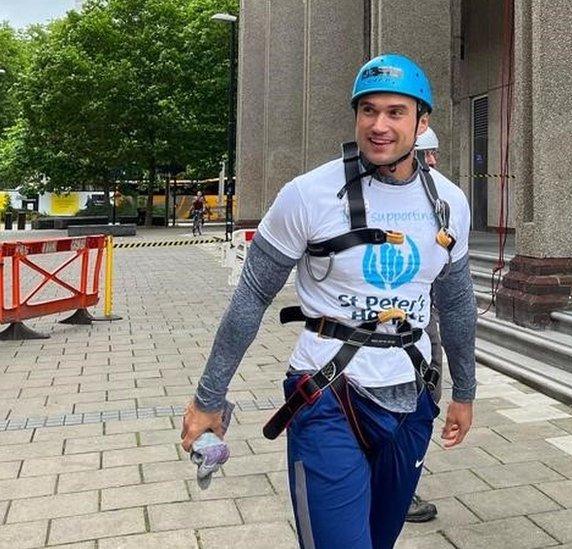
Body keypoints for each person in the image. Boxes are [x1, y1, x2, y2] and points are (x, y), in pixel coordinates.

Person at [180, 53, 478, 548]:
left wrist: (464, 391)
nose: (379, 125)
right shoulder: (308, 195)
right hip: (327, 395)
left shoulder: (448, 203)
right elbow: (253, 293)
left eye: (395, 112)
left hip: (413, 396)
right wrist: (210, 396)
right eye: (368, 111)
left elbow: (458, 301)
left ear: (422, 121)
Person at [405, 126, 441, 523]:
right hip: (395, 333)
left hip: (427, 323)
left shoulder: (442, 199)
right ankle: (404, 490)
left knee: (425, 403)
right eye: (426, 154)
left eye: (436, 154)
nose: (432, 161)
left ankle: (406, 483)